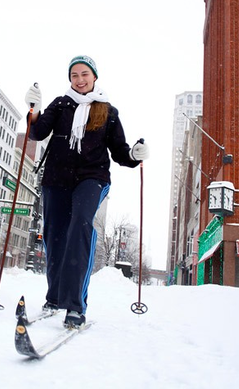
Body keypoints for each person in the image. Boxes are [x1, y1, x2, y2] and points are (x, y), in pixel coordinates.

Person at [24, 55, 149, 329]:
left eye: (84, 74)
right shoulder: (60, 104)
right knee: (54, 237)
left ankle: (75, 305)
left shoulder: (108, 111)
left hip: (92, 178)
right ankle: (55, 297)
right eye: (74, 75)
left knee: (80, 227)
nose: (79, 80)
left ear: (94, 77)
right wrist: (34, 109)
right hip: (56, 178)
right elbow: (37, 133)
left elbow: (120, 152)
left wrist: (134, 155)